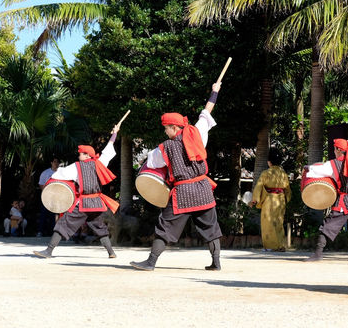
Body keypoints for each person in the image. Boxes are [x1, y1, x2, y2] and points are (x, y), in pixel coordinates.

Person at [130, 82, 223, 271]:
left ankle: (150, 262)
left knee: (165, 227)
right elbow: (207, 111)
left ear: (173, 127)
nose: (165, 131)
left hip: (182, 193)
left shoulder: (165, 147)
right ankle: (216, 263)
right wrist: (215, 92)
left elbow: (153, 163)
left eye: (166, 128)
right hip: (204, 189)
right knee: (211, 228)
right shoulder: (197, 132)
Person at [33, 124, 120, 259]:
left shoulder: (76, 167)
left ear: (86, 155)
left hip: (84, 203)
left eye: (81, 153)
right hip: (97, 202)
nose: (79, 155)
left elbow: (57, 175)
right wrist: (115, 134)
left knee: (64, 223)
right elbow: (108, 150)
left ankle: (49, 251)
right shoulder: (100, 162)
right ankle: (111, 252)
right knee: (99, 226)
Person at [304, 107, 348, 262]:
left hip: (343, 202)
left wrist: (307, 168)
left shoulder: (332, 165)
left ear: (337, 150)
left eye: (335, 148)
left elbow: (315, 172)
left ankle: (317, 254)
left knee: (327, 226)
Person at [250, 147, 291, 251]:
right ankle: (281, 245)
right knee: (279, 222)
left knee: (268, 223)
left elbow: (259, 186)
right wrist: (287, 199)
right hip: (281, 199)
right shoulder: (283, 174)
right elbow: (287, 189)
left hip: (269, 199)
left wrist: (254, 199)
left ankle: (271, 246)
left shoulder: (266, 173)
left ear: (269, 162)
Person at [37, 158, 60, 236]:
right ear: (51, 162)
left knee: (54, 215)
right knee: (43, 214)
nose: (56, 163)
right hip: (47, 196)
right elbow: (41, 184)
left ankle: (52, 232)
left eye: (57, 162)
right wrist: (47, 193)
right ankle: (40, 231)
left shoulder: (61, 173)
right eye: (54, 162)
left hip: (57, 197)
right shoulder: (45, 173)